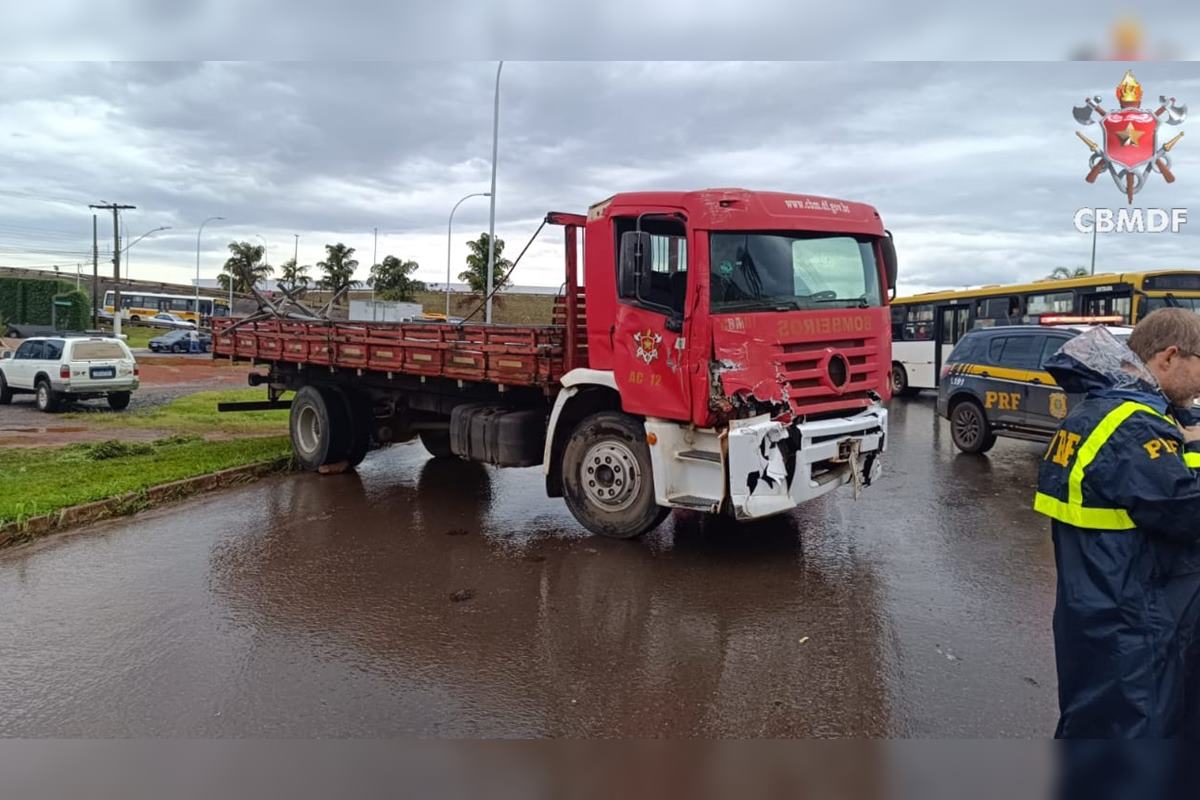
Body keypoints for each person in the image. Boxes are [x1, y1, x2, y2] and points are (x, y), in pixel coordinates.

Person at [1035, 308, 1200, 737]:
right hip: (1135, 617)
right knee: (1135, 733)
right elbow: (1187, 511)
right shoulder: (1135, 427)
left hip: (1096, 609)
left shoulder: (1104, 411)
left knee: (1096, 723)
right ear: (1169, 357)